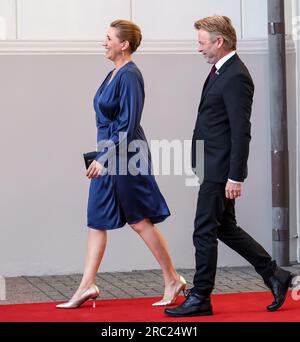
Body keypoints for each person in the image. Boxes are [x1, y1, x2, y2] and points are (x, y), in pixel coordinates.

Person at [165, 15, 295, 317]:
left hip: (220, 169)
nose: (199, 49)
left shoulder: (236, 76)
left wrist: (236, 176)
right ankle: (275, 275)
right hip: (211, 166)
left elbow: (241, 131)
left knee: (204, 230)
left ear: (219, 41)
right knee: (224, 227)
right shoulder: (220, 71)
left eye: (202, 43)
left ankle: (201, 297)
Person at [56, 19, 186, 309]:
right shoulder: (112, 73)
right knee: (96, 219)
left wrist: (104, 158)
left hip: (127, 156)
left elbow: (128, 124)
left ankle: (172, 279)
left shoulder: (130, 76)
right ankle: (87, 285)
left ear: (123, 44)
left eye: (108, 37)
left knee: (139, 221)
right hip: (107, 155)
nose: (103, 42)